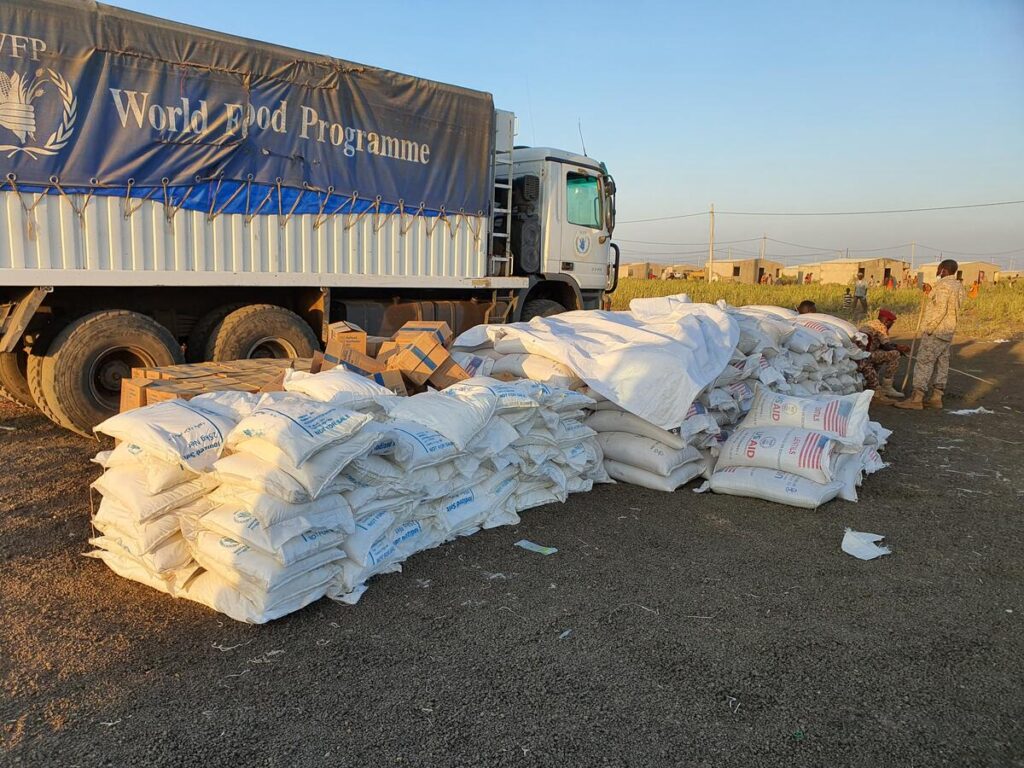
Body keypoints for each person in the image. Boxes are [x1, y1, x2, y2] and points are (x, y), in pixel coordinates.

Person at [895, 259, 966, 410]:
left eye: (939, 269)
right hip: (947, 331)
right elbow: (945, 305)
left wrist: (929, 328)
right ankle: (936, 397)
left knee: (924, 362)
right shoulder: (958, 286)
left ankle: (916, 398)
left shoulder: (944, 286)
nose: (937, 271)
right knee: (942, 363)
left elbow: (941, 310)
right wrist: (930, 293)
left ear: (944, 270)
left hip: (936, 331)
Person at [856, 308, 911, 403]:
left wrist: (896, 346)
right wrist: (899, 348)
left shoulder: (870, 323)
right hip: (866, 356)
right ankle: (887, 386)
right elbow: (887, 345)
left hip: (860, 354)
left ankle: (872, 382)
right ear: (886, 321)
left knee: (882, 353)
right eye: (891, 323)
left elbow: (881, 345)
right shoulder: (881, 326)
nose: (891, 325)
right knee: (895, 354)